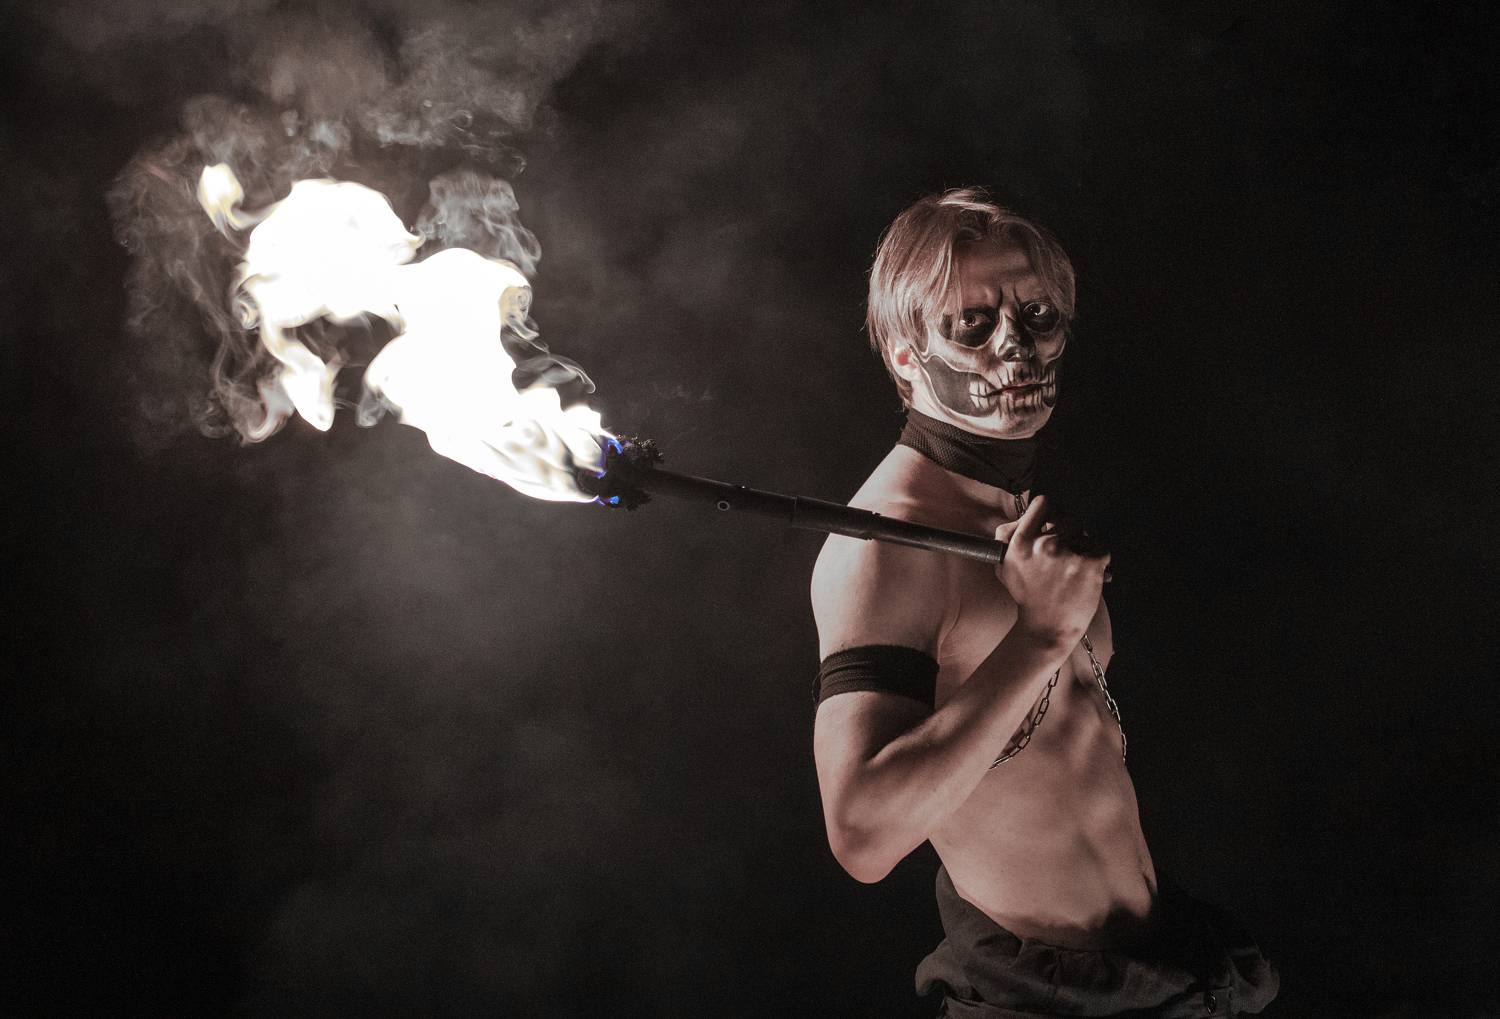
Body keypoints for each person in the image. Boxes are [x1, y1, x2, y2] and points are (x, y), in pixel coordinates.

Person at [810, 189, 1279, 1018]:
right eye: (972, 323)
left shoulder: (1015, 513)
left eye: (1037, 315)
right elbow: (863, 838)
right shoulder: (884, 545)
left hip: (1165, 972)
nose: (1015, 347)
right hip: (1036, 1003)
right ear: (905, 354)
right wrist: (1040, 635)